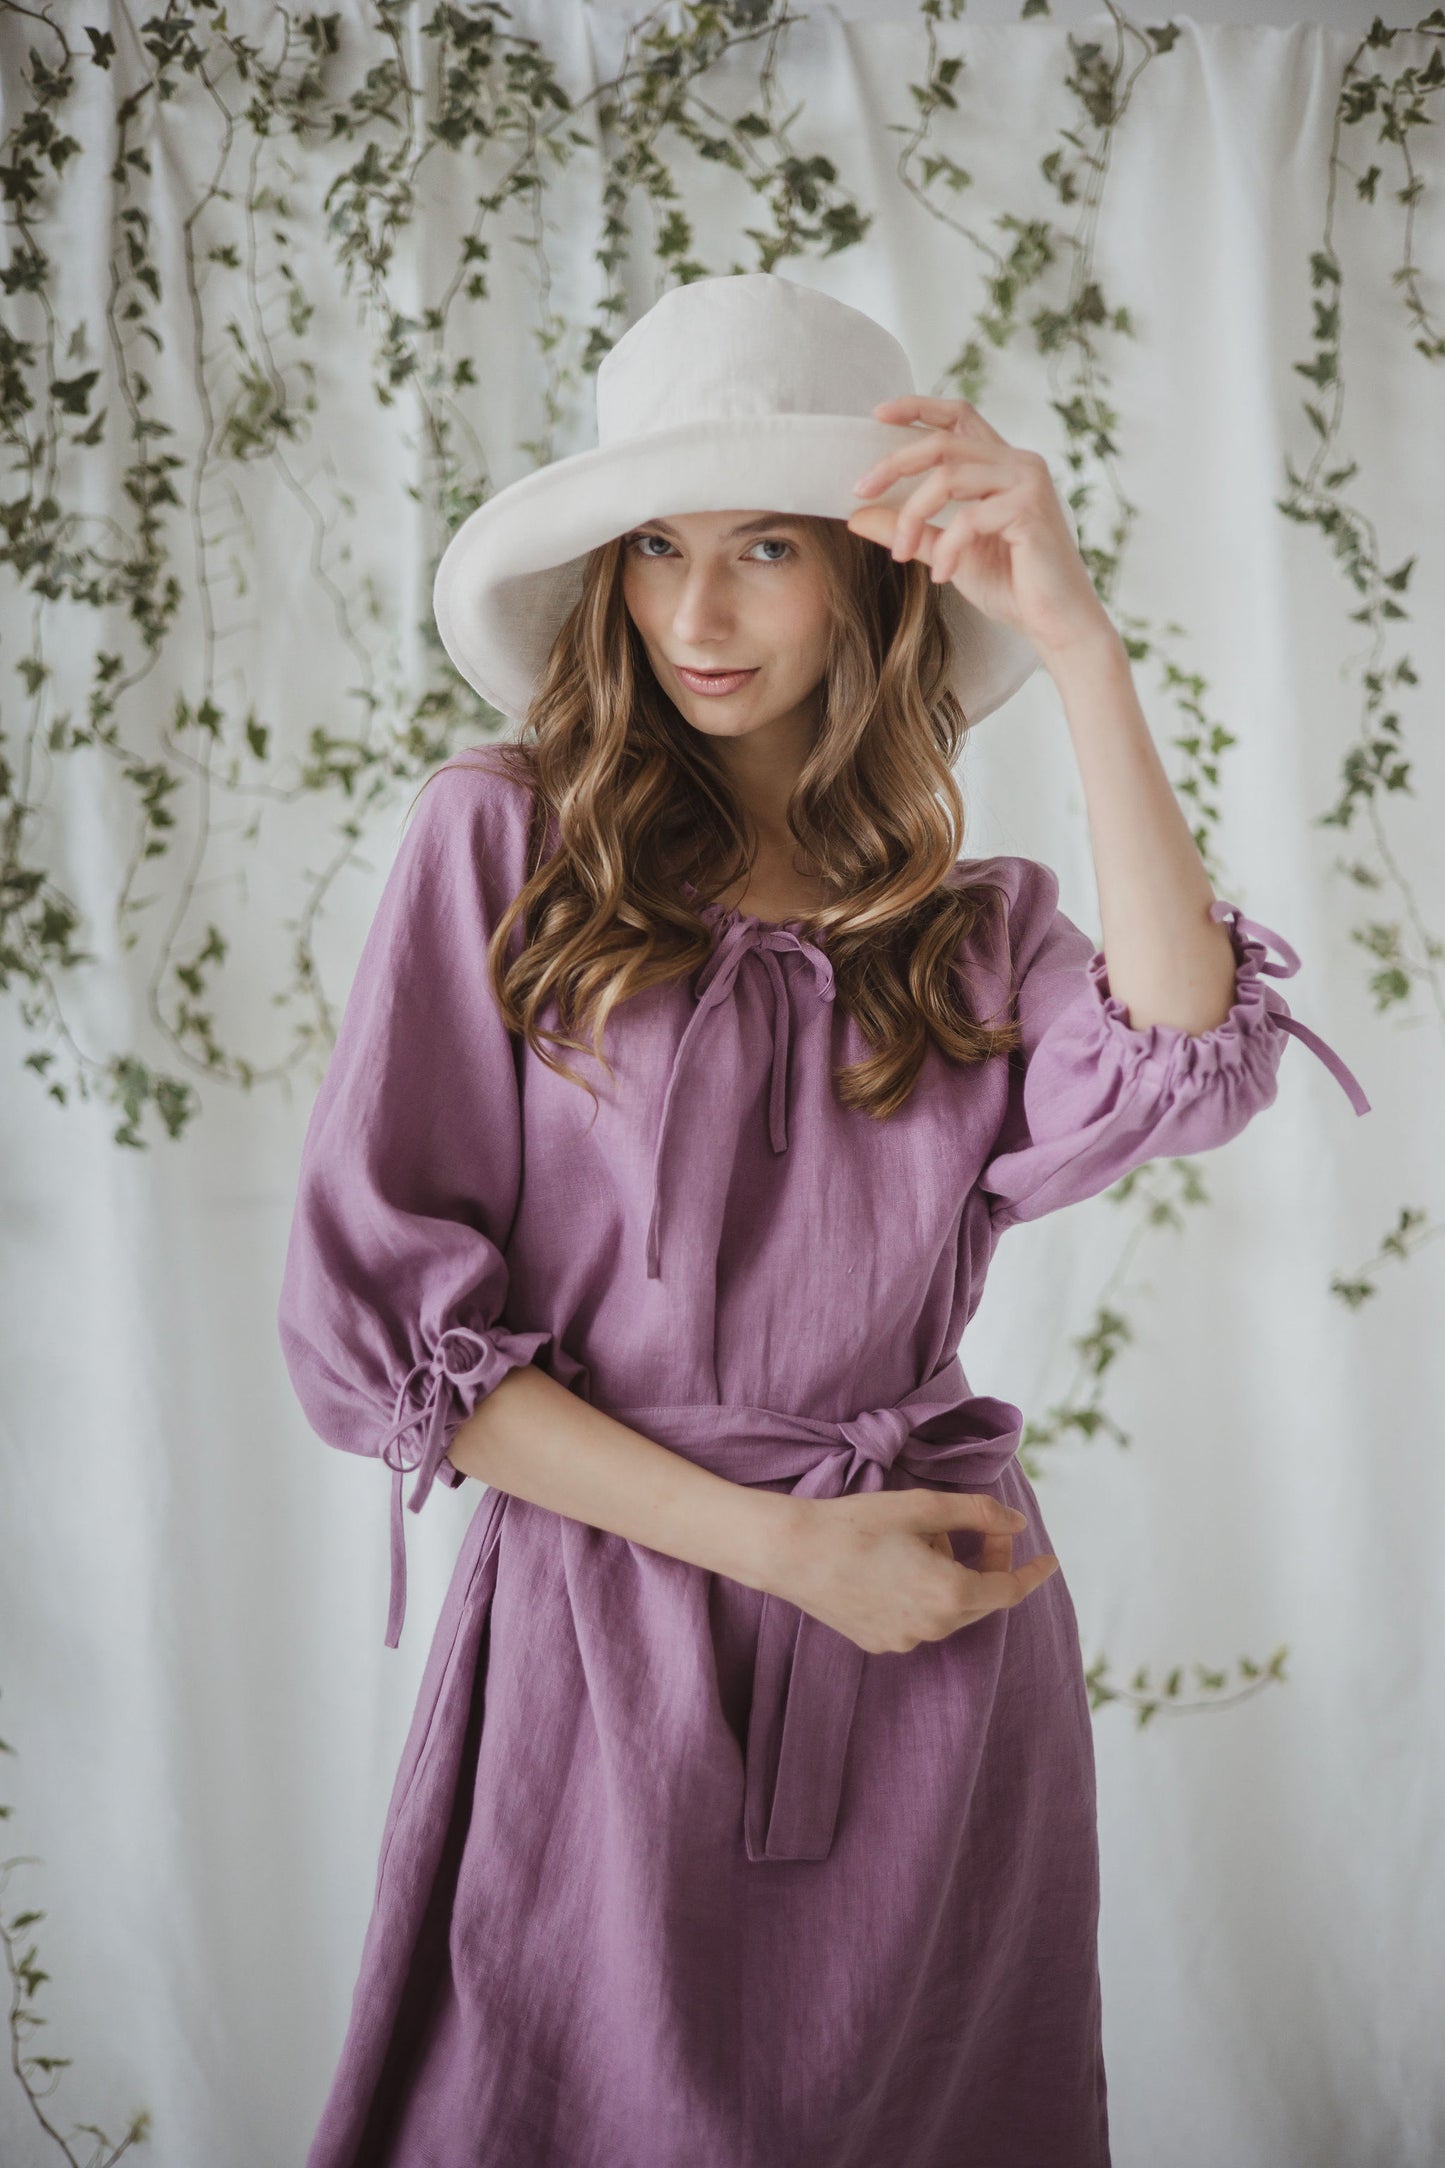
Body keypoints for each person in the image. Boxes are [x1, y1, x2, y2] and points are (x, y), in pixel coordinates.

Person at [277, 273, 1370, 2168]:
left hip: (928, 1646)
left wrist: (1078, 642)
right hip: (616, 1630)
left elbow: (1186, 1060)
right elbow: (387, 1341)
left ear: (870, 575)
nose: (696, 617)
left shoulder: (973, 929)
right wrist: (782, 1551)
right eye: (657, 549)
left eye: (766, 549)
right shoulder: (505, 839)